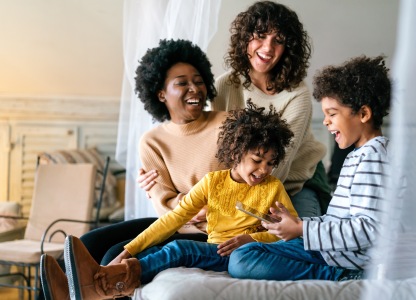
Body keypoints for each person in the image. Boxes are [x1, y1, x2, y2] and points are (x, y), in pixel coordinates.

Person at [39, 39, 227, 300]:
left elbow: (241, 182)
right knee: (90, 242)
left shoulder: (228, 125)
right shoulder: (152, 141)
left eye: (198, 81)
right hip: (174, 223)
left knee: (111, 256)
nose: (194, 88)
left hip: (214, 229)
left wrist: (188, 203)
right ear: (161, 93)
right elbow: (163, 205)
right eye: (182, 83)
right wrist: (186, 204)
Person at [61, 101, 298, 299]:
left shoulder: (273, 188)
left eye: (270, 162)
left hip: (237, 254)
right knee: (144, 255)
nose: (264, 169)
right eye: (257, 160)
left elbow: (289, 231)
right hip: (213, 247)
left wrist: (250, 239)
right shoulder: (212, 182)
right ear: (236, 153)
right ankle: (93, 284)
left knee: (178, 249)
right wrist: (128, 249)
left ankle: (98, 285)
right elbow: (174, 219)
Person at [140, 1, 331, 218]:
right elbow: (221, 154)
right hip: (246, 184)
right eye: (260, 35)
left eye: (278, 41)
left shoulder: (297, 95)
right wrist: (158, 185)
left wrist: (220, 204)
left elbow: (277, 165)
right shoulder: (225, 86)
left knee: (298, 242)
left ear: (288, 49)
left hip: (296, 181)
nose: (268, 48)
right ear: (245, 39)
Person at [227, 55, 392, 281]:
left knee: (242, 259)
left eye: (332, 114)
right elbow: (338, 221)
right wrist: (297, 225)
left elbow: (370, 231)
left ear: (363, 114)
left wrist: (302, 229)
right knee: (244, 253)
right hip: (333, 251)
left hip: (344, 261)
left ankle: (342, 276)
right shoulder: (358, 155)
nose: (325, 121)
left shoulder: (374, 157)